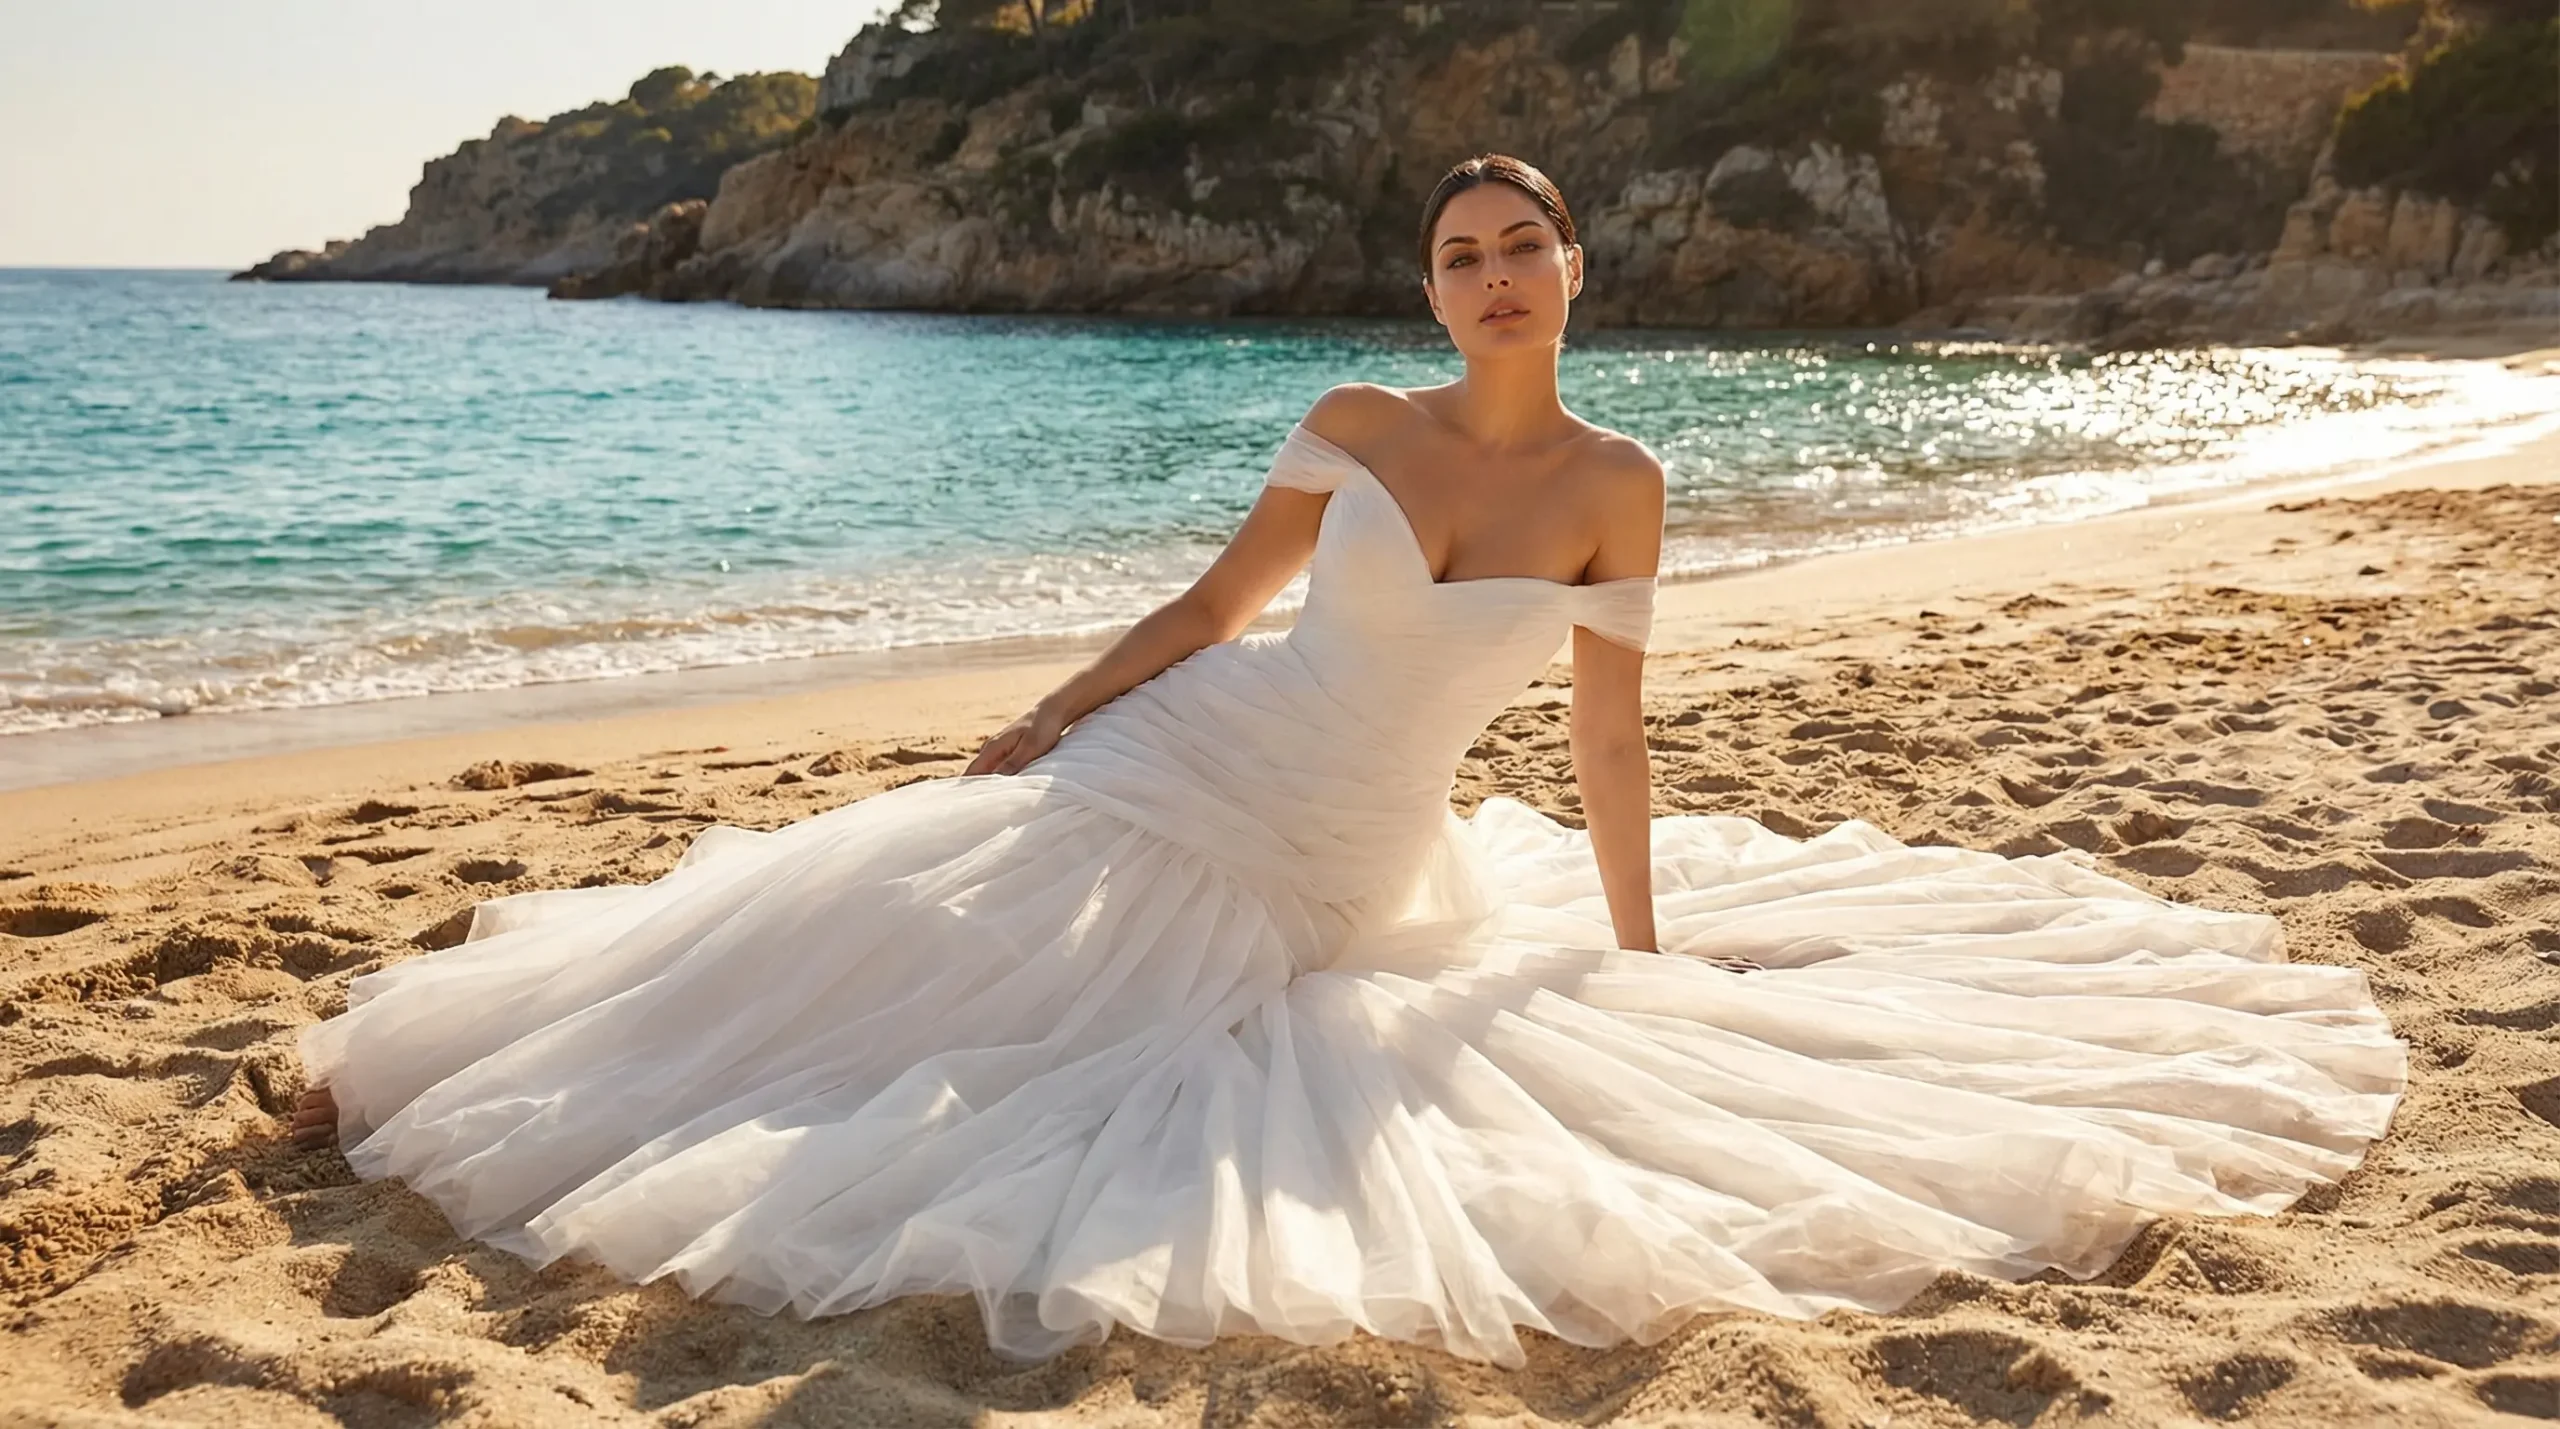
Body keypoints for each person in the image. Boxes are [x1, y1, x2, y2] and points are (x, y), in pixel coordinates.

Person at [291, 154, 2405, 1369]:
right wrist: (1049, 718)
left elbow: (1602, 729)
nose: (1488, 278)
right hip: (1190, 759)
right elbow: (1215, 613)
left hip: (1353, 856)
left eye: (1518, 248)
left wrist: (1638, 945)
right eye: (1455, 255)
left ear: (1575, 270)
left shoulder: (1621, 482)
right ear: (1431, 288)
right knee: (899, 954)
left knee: (1067, 1037)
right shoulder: (1355, 426)